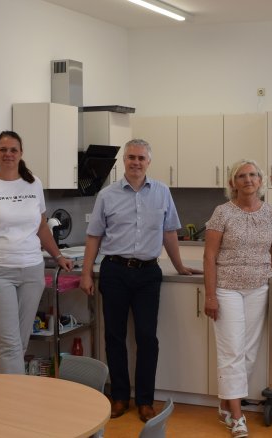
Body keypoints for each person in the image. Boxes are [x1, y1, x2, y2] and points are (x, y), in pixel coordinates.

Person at [80, 138, 202, 423]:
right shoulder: (107, 195)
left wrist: (180, 265)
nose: (136, 162)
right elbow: (94, 236)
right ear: (124, 160)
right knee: (114, 337)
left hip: (148, 273)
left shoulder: (161, 192)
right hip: (114, 271)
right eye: (131, 157)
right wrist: (86, 272)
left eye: (141, 158)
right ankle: (120, 397)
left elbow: (170, 232)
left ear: (149, 162)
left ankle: (145, 400)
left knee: (147, 338)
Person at [0, 131, 74, 375]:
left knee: (19, 344)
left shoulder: (33, 183)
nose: (8, 154)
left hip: (32, 272)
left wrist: (58, 256)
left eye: (13, 150)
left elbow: (42, 226)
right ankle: (15, 406)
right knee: (9, 347)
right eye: (3, 150)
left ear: (21, 153)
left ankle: (11, 401)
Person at [203, 159, 272, 438]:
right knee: (231, 351)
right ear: (232, 183)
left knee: (248, 352)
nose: (248, 180)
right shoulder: (222, 213)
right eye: (241, 176)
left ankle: (226, 403)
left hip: (259, 288)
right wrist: (210, 295)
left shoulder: (271, 213)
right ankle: (237, 417)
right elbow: (209, 255)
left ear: (260, 180)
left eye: (253, 175)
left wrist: (268, 270)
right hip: (227, 289)